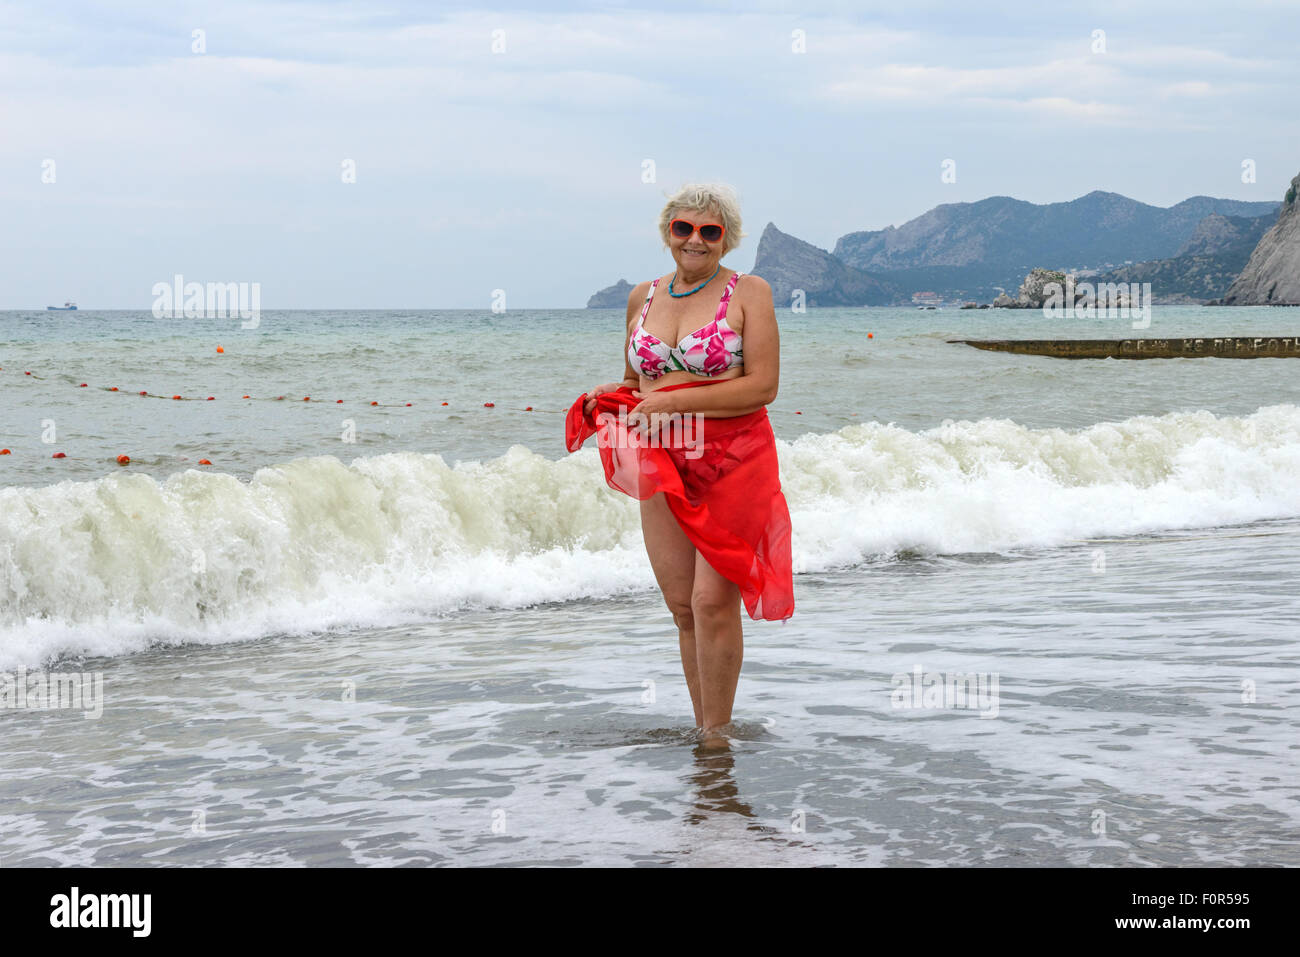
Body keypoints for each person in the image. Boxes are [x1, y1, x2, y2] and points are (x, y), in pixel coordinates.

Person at [565, 182, 794, 745]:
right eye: (684, 228)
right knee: (681, 607)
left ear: (727, 240)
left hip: (734, 459)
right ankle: (704, 731)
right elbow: (635, 380)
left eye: (710, 232)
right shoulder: (641, 295)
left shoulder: (750, 292)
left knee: (712, 600)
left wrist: (673, 400)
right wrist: (613, 394)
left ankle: (717, 738)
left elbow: (762, 387)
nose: (696, 240)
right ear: (669, 232)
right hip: (661, 458)